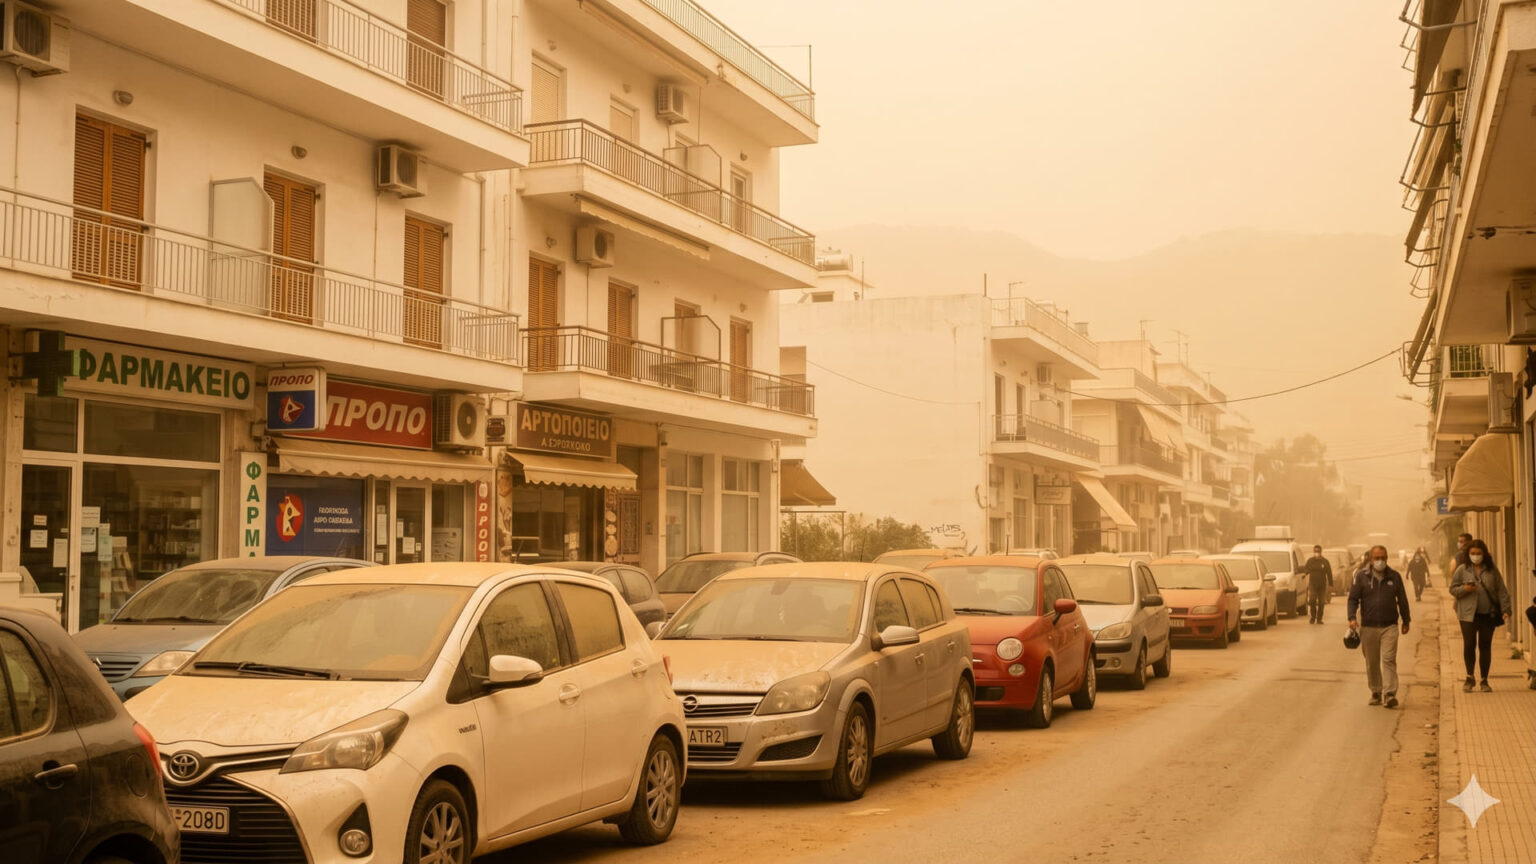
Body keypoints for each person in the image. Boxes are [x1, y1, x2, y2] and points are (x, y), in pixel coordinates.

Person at [1348, 546, 1412, 708]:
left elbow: (1403, 600)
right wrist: (1352, 618)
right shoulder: (1361, 577)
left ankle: (1389, 694)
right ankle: (1376, 691)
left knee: (1389, 659)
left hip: (1389, 626)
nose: (1380, 561)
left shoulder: (1394, 577)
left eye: (1383, 557)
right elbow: (1353, 599)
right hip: (1368, 627)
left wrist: (1406, 620)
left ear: (1387, 558)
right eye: (1377, 558)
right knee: (1372, 661)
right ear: (1370, 559)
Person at [1449, 539, 1513, 692]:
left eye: (1478, 553)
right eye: (1473, 553)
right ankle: (1469, 677)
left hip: (1487, 615)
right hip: (1467, 615)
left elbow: (1501, 590)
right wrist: (1465, 589)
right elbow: (1453, 589)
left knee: (1485, 646)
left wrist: (1506, 610)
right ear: (1468, 554)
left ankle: (1484, 680)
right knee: (1469, 645)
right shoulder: (1462, 569)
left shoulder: (1491, 570)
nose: (1476, 556)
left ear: (1484, 554)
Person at [1302, 545, 1334, 624]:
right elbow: (1306, 569)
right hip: (1312, 584)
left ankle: (1319, 618)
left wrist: (1331, 584)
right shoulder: (1310, 561)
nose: (1317, 553)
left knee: (1321, 602)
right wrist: (1304, 574)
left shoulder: (1325, 561)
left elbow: (1329, 573)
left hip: (1322, 585)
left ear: (1320, 552)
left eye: (1318, 551)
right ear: (1313, 552)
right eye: (1315, 551)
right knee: (1312, 600)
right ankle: (1313, 616)